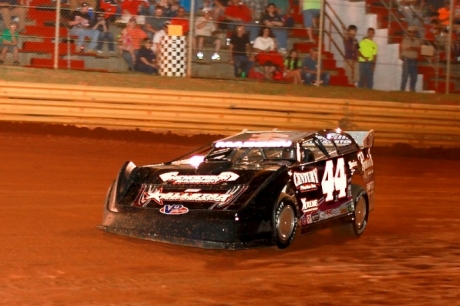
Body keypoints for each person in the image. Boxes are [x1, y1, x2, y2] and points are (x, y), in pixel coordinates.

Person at [400, 25, 421, 91]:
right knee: (405, 76)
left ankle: (412, 89)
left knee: (414, 77)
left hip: (414, 60)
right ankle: (402, 90)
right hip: (407, 59)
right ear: (408, 32)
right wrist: (414, 48)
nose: (412, 33)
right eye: (410, 32)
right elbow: (407, 48)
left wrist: (412, 48)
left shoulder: (417, 40)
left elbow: (418, 49)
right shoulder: (405, 40)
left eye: (413, 32)